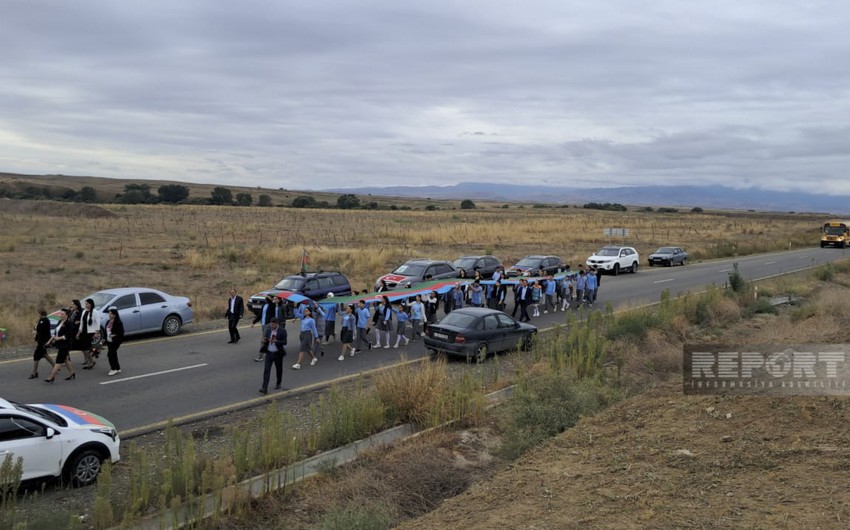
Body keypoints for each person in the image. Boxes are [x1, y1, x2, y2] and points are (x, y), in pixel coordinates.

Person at [44, 308, 75, 383]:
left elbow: (69, 335)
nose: (60, 315)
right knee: (65, 359)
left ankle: (52, 376)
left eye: (62, 314)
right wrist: (49, 341)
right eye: (60, 314)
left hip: (65, 344)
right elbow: (55, 333)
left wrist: (59, 338)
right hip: (60, 343)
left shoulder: (69, 323)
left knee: (59, 360)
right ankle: (72, 373)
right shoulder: (59, 321)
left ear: (67, 315)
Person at [259, 318, 286, 394]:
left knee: (279, 369)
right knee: (266, 370)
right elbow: (266, 339)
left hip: (278, 353)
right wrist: (265, 341)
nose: (272, 326)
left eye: (273, 324)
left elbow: (285, 342)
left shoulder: (282, 331)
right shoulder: (268, 331)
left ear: (277, 324)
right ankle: (264, 388)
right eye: (271, 324)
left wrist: (276, 341)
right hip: (269, 353)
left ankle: (278, 383)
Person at [29, 309, 55, 379]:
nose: (37, 315)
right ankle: (55, 367)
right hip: (40, 341)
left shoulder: (46, 320)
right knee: (45, 355)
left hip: (43, 341)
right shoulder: (40, 320)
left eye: (38, 313)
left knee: (36, 356)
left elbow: (43, 331)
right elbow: (36, 328)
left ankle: (34, 373)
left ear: (41, 313)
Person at [77, 298, 101, 369]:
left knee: (86, 348)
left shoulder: (95, 312)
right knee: (84, 348)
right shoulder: (84, 311)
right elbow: (82, 323)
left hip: (90, 332)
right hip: (83, 332)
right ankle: (90, 361)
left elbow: (98, 323)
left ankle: (91, 361)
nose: (86, 305)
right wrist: (79, 332)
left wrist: (97, 332)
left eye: (87, 304)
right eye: (85, 304)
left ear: (91, 304)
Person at [252, 294, 275, 362]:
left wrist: (271, 299)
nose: (266, 298)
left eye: (268, 297)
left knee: (263, 340)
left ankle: (260, 356)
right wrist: (254, 322)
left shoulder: (272, 305)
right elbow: (260, 314)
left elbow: (271, 303)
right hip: (263, 324)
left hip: (268, 324)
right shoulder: (264, 304)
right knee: (269, 339)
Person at [104, 307, 124, 375]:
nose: (109, 315)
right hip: (109, 341)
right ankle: (118, 368)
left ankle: (113, 369)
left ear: (115, 315)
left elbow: (121, 332)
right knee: (113, 354)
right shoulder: (108, 321)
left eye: (111, 314)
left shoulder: (118, 322)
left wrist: (114, 335)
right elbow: (106, 331)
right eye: (109, 314)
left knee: (110, 355)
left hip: (115, 341)